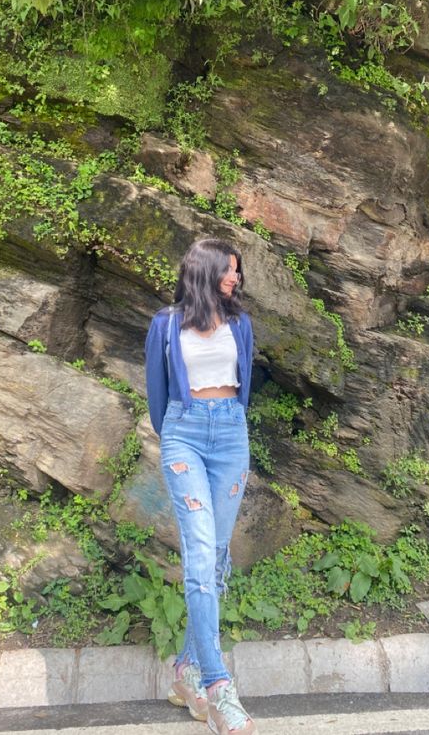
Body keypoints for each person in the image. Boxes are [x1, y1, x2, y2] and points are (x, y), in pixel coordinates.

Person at [145, 237, 257, 735]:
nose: (234, 277)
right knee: (198, 557)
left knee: (216, 555)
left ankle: (186, 670)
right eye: (227, 270)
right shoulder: (165, 325)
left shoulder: (241, 325)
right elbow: (156, 392)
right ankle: (217, 686)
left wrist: (228, 422)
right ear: (204, 271)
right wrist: (175, 436)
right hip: (184, 435)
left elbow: (245, 384)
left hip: (231, 434)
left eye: (236, 271)